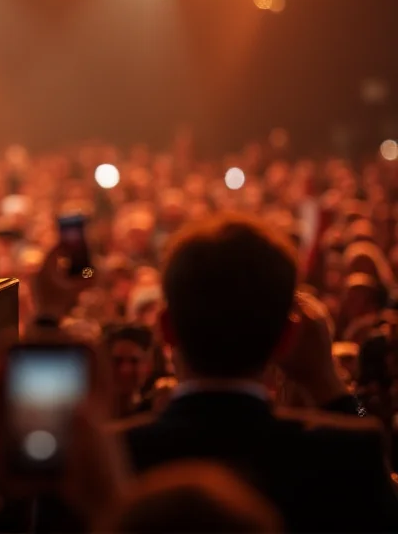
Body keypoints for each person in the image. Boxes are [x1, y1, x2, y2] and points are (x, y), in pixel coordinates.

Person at [114, 213, 398, 532]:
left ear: (165, 329)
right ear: (287, 337)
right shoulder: (347, 451)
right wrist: (330, 384)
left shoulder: (111, 457)